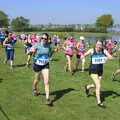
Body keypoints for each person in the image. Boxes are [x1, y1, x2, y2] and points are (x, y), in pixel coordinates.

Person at [83, 40, 113, 108]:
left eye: (100, 44)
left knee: (96, 85)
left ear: (102, 45)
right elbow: (85, 54)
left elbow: (111, 57)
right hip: (92, 70)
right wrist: (83, 56)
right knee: (98, 85)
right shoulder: (92, 50)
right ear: (96, 44)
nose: (99, 46)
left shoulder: (103, 50)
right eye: (98, 44)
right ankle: (99, 102)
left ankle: (87, 86)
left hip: (100, 71)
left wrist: (106, 57)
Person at [27, 33, 53, 106]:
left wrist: (49, 58)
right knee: (37, 79)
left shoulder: (49, 46)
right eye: (42, 38)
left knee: (47, 82)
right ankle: (34, 88)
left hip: (45, 65)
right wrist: (31, 50)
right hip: (37, 65)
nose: (43, 40)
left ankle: (47, 99)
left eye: (45, 39)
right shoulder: (36, 45)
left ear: (47, 39)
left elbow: (50, 53)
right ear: (40, 38)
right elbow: (28, 52)